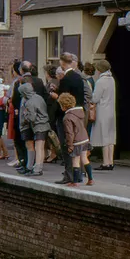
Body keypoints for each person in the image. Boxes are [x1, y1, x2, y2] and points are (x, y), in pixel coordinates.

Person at [49, 53, 86, 184]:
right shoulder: (78, 77)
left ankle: (69, 175)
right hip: (78, 114)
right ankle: (79, 174)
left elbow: (63, 100)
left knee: (67, 145)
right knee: (77, 145)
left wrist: (55, 95)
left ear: (62, 63)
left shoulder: (66, 79)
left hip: (67, 116)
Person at [59, 93, 94, 186]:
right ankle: (90, 179)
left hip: (76, 141)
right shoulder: (80, 113)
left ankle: (74, 182)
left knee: (75, 160)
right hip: (84, 138)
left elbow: (69, 133)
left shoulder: (67, 117)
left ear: (63, 106)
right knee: (84, 159)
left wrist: (70, 145)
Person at [18, 82, 51, 176]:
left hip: (38, 125)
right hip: (45, 123)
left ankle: (37, 169)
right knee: (40, 147)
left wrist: (25, 115)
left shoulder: (29, 102)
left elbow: (32, 118)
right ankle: (37, 167)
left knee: (39, 147)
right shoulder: (39, 97)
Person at [91, 59, 117, 170]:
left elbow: (95, 98)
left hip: (103, 111)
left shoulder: (100, 81)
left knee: (104, 137)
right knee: (111, 137)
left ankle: (106, 162)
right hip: (111, 111)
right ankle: (111, 161)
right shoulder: (112, 79)